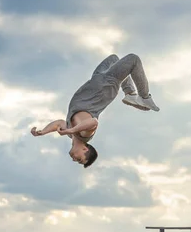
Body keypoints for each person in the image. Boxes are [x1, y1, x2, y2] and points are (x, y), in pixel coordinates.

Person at [30, 53, 159, 168]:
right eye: (80, 159)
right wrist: (72, 130)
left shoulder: (71, 134)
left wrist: (43, 132)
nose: (75, 160)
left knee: (114, 58)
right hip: (105, 85)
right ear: (85, 149)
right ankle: (145, 97)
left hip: (96, 79)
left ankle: (130, 93)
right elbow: (93, 122)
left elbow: (58, 123)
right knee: (133, 59)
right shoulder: (85, 135)